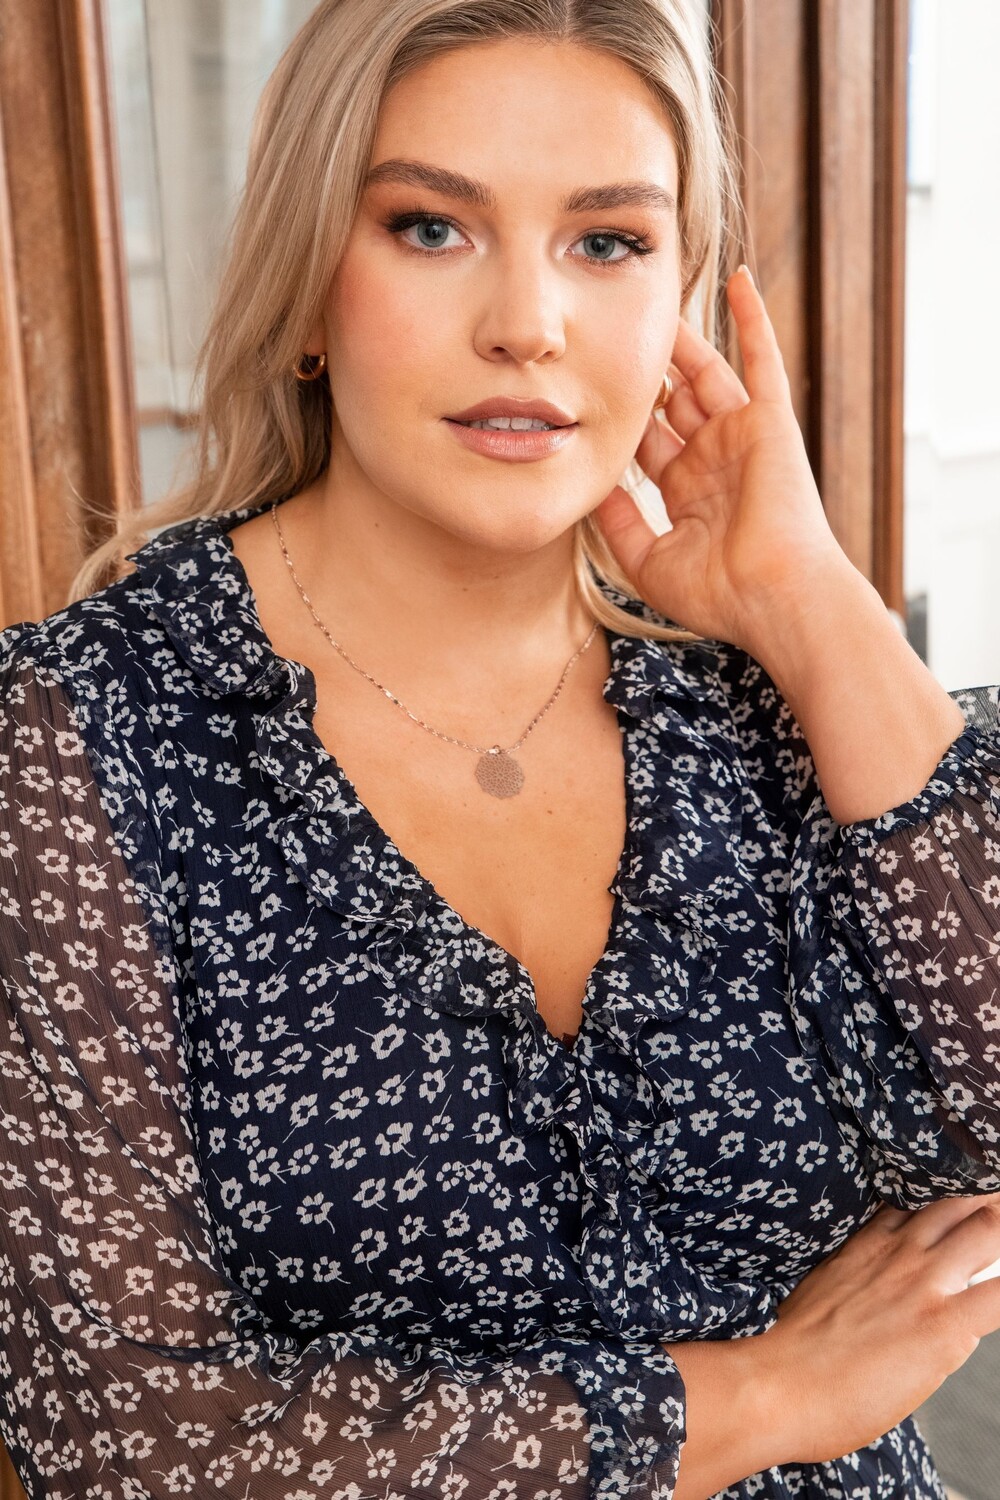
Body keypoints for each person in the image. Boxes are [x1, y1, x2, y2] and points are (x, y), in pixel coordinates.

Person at [1, 0, 999, 1496]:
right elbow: (122, 1432)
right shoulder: (77, 737)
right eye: (431, 227)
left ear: (677, 306)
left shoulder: (762, 700)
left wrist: (812, 604)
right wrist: (758, 1400)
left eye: (608, 242)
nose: (529, 322)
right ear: (306, 287)